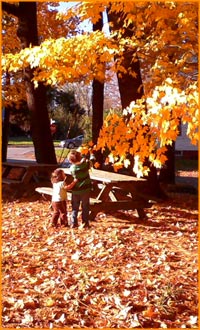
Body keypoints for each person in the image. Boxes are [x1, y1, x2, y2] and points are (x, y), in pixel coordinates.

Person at [67, 150, 91, 228]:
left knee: (75, 207)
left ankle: (73, 223)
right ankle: (85, 222)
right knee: (85, 207)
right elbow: (89, 162)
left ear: (71, 161)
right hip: (85, 190)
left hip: (76, 191)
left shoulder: (72, 169)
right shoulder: (85, 165)